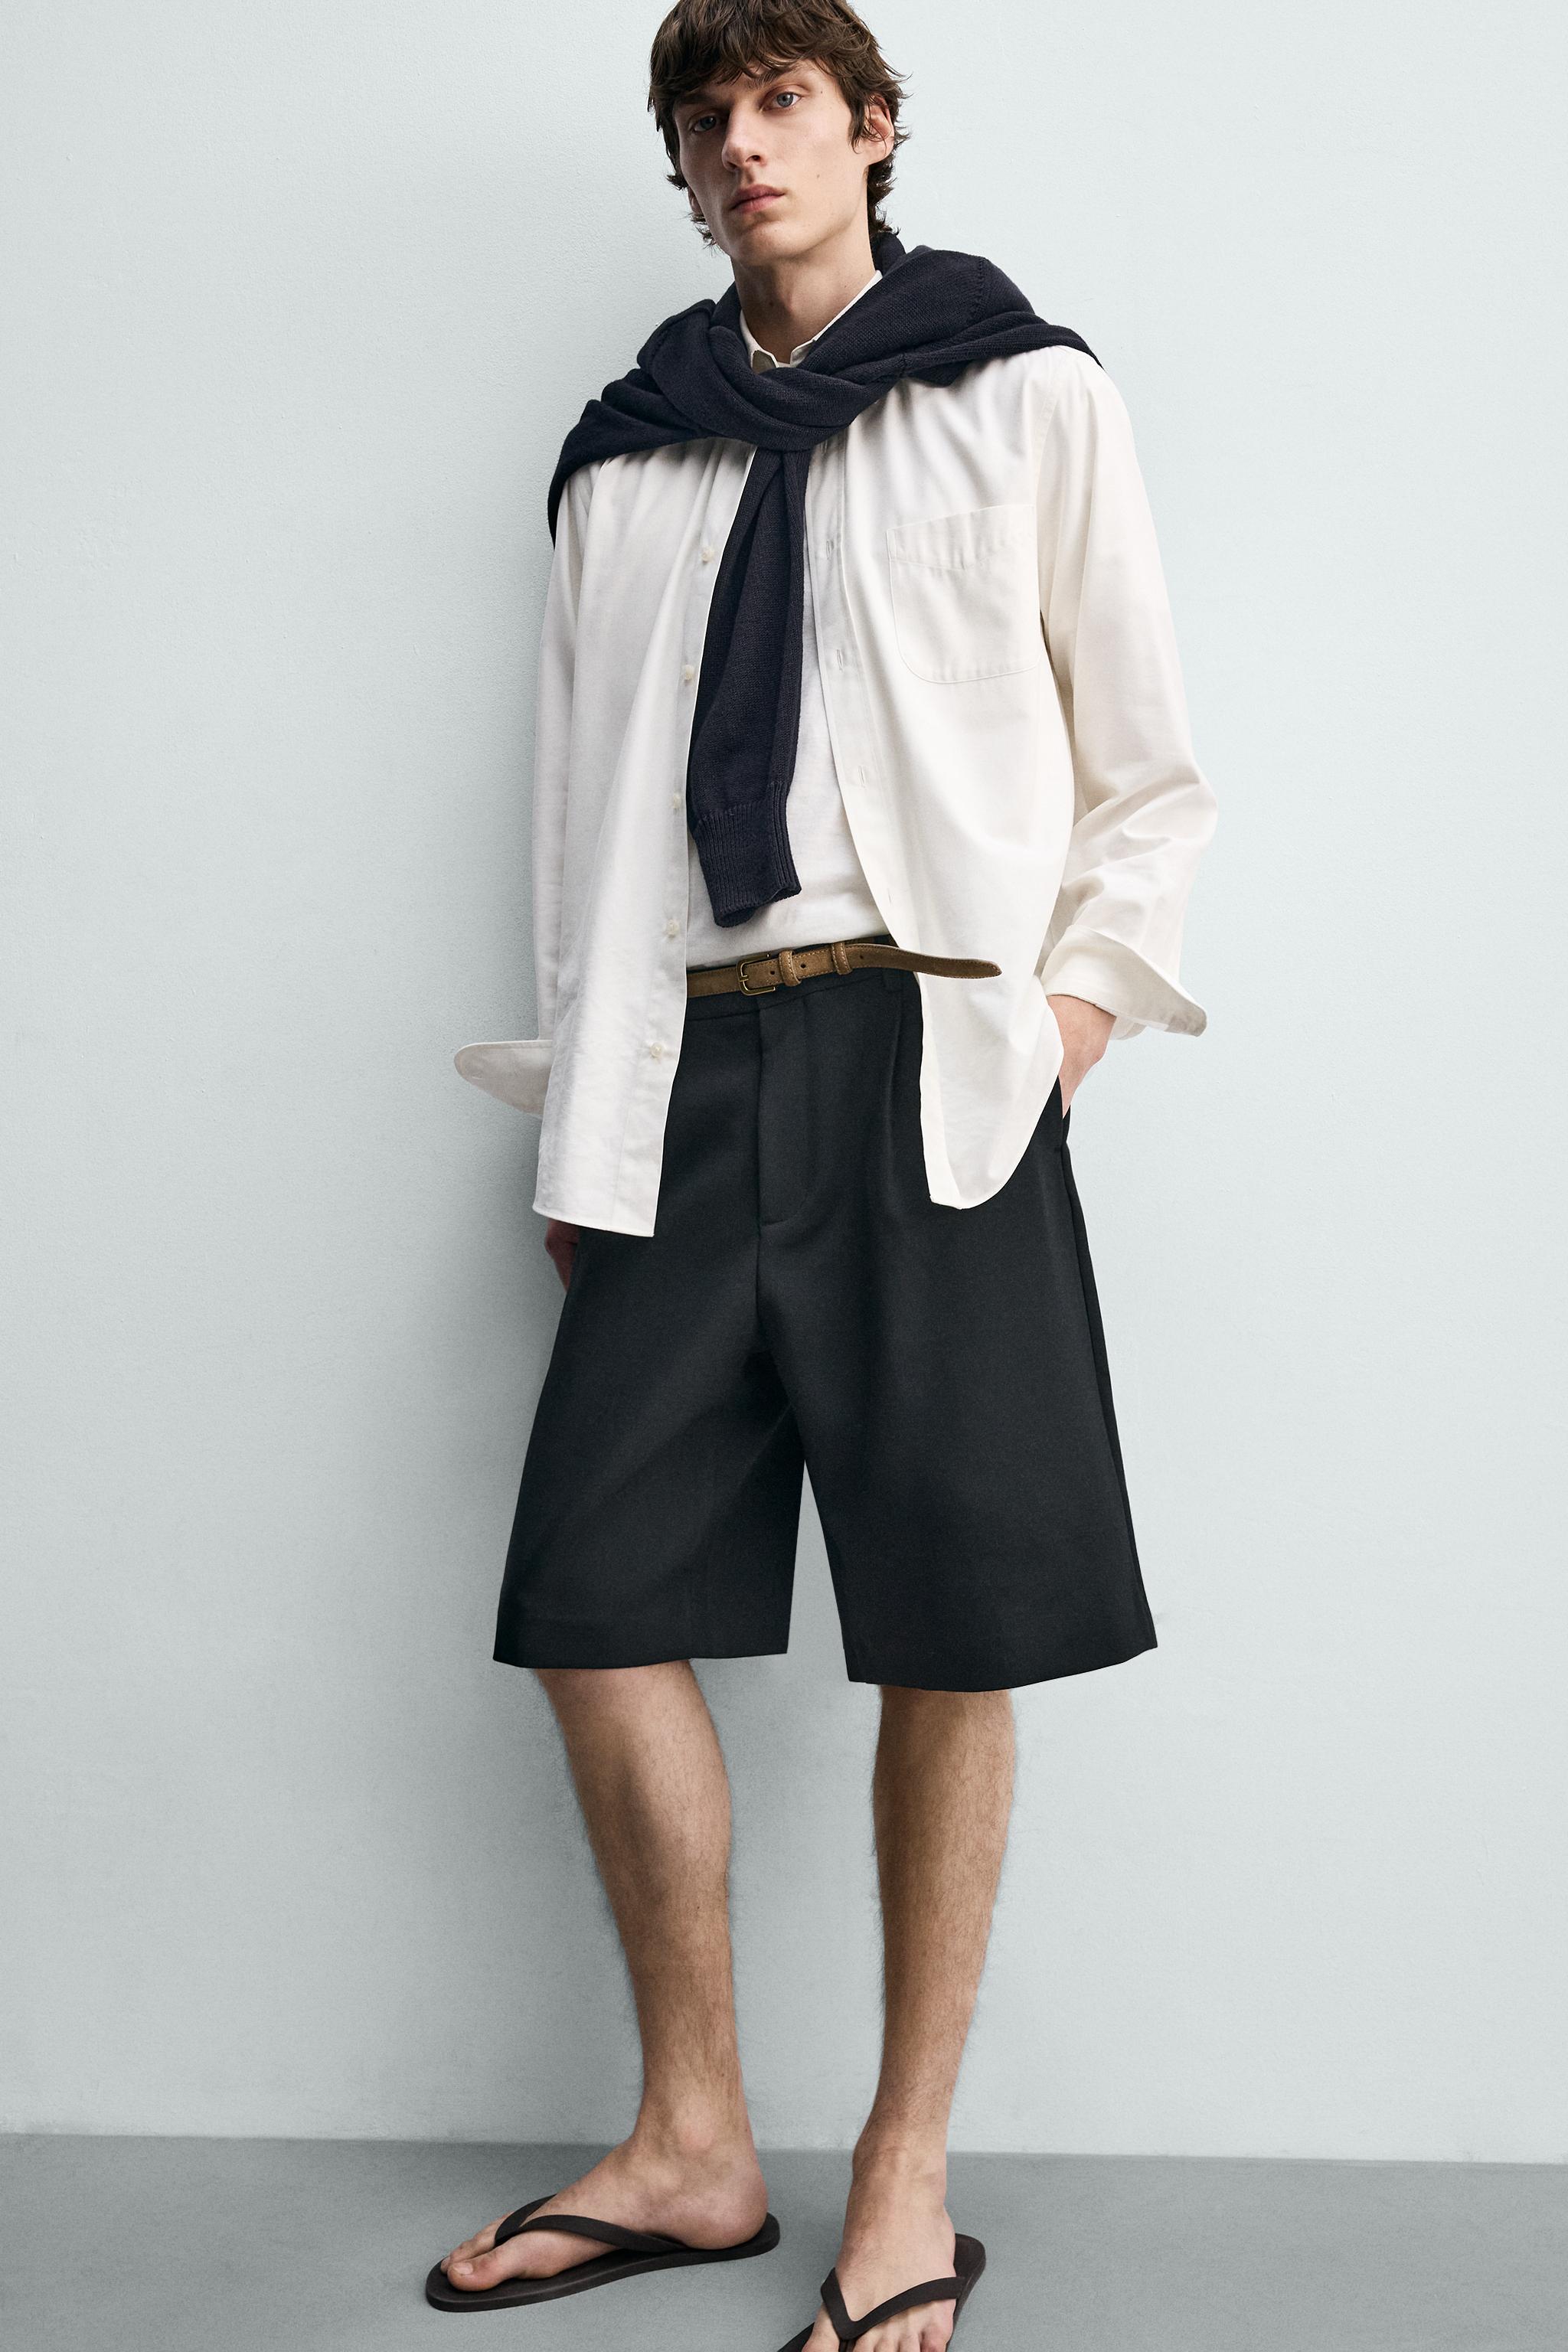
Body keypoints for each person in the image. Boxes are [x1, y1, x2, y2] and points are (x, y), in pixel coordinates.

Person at [433, 3, 1217, 2344]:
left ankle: (902, 2173)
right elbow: (575, 827)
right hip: (676, 1077)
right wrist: (586, 1117)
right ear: (681, 174)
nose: (742, 144)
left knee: (956, 1621)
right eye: (705, 119)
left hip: (933, 1062)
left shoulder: (1026, 395)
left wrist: (1064, 1029)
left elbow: (1148, 773)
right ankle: (692, 2144)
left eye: (781, 101)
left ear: (872, 131)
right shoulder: (627, 467)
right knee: (592, 1603)